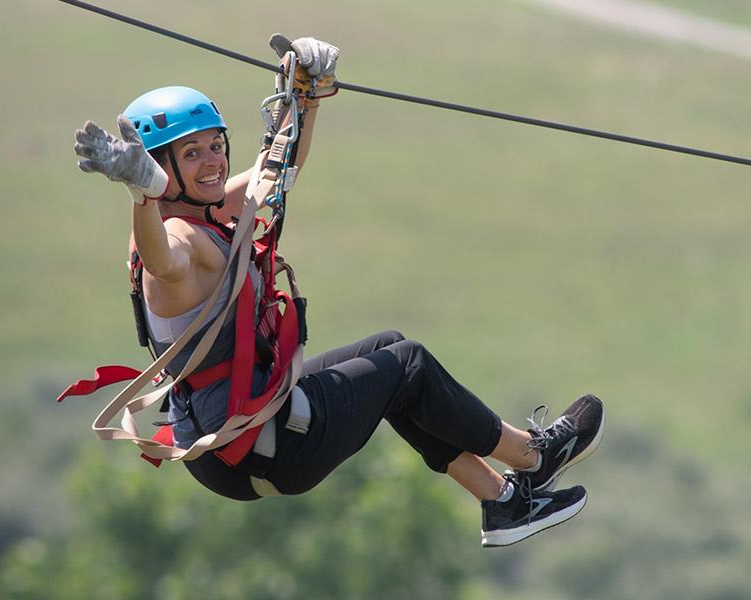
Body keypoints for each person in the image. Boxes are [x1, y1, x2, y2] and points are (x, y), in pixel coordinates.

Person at [69, 36, 604, 547]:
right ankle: (533, 457)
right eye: (191, 154)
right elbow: (165, 262)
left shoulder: (199, 213)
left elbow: (275, 173)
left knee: (388, 351)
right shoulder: (178, 240)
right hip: (262, 445)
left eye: (215, 145)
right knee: (409, 364)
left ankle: (505, 501)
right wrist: (140, 194)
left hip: (239, 441)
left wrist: (306, 94)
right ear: (161, 168)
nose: (213, 162)